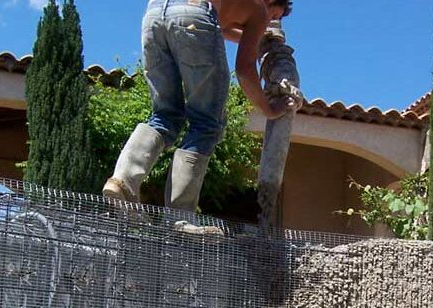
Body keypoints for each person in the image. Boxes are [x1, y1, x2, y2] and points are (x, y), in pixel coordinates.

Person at [103, 0, 295, 215]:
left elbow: (218, 27)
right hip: (197, 12)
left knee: (165, 115)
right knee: (206, 123)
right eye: (274, 16)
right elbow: (244, 70)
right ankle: (180, 215)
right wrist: (268, 109)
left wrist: (257, 37)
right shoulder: (259, 8)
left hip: (155, 13)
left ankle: (121, 181)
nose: (270, 23)